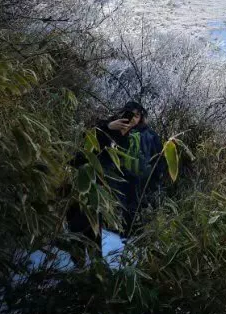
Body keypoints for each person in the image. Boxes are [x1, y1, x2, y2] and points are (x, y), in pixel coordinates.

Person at [68, 101, 163, 246]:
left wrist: (153, 183)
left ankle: (113, 243)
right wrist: (109, 128)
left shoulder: (143, 135)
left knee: (106, 216)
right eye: (129, 114)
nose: (132, 119)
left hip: (124, 183)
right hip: (89, 177)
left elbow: (156, 160)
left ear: (141, 118)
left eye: (137, 116)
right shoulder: (108, 123)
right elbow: (87, 144)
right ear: (123, 112)